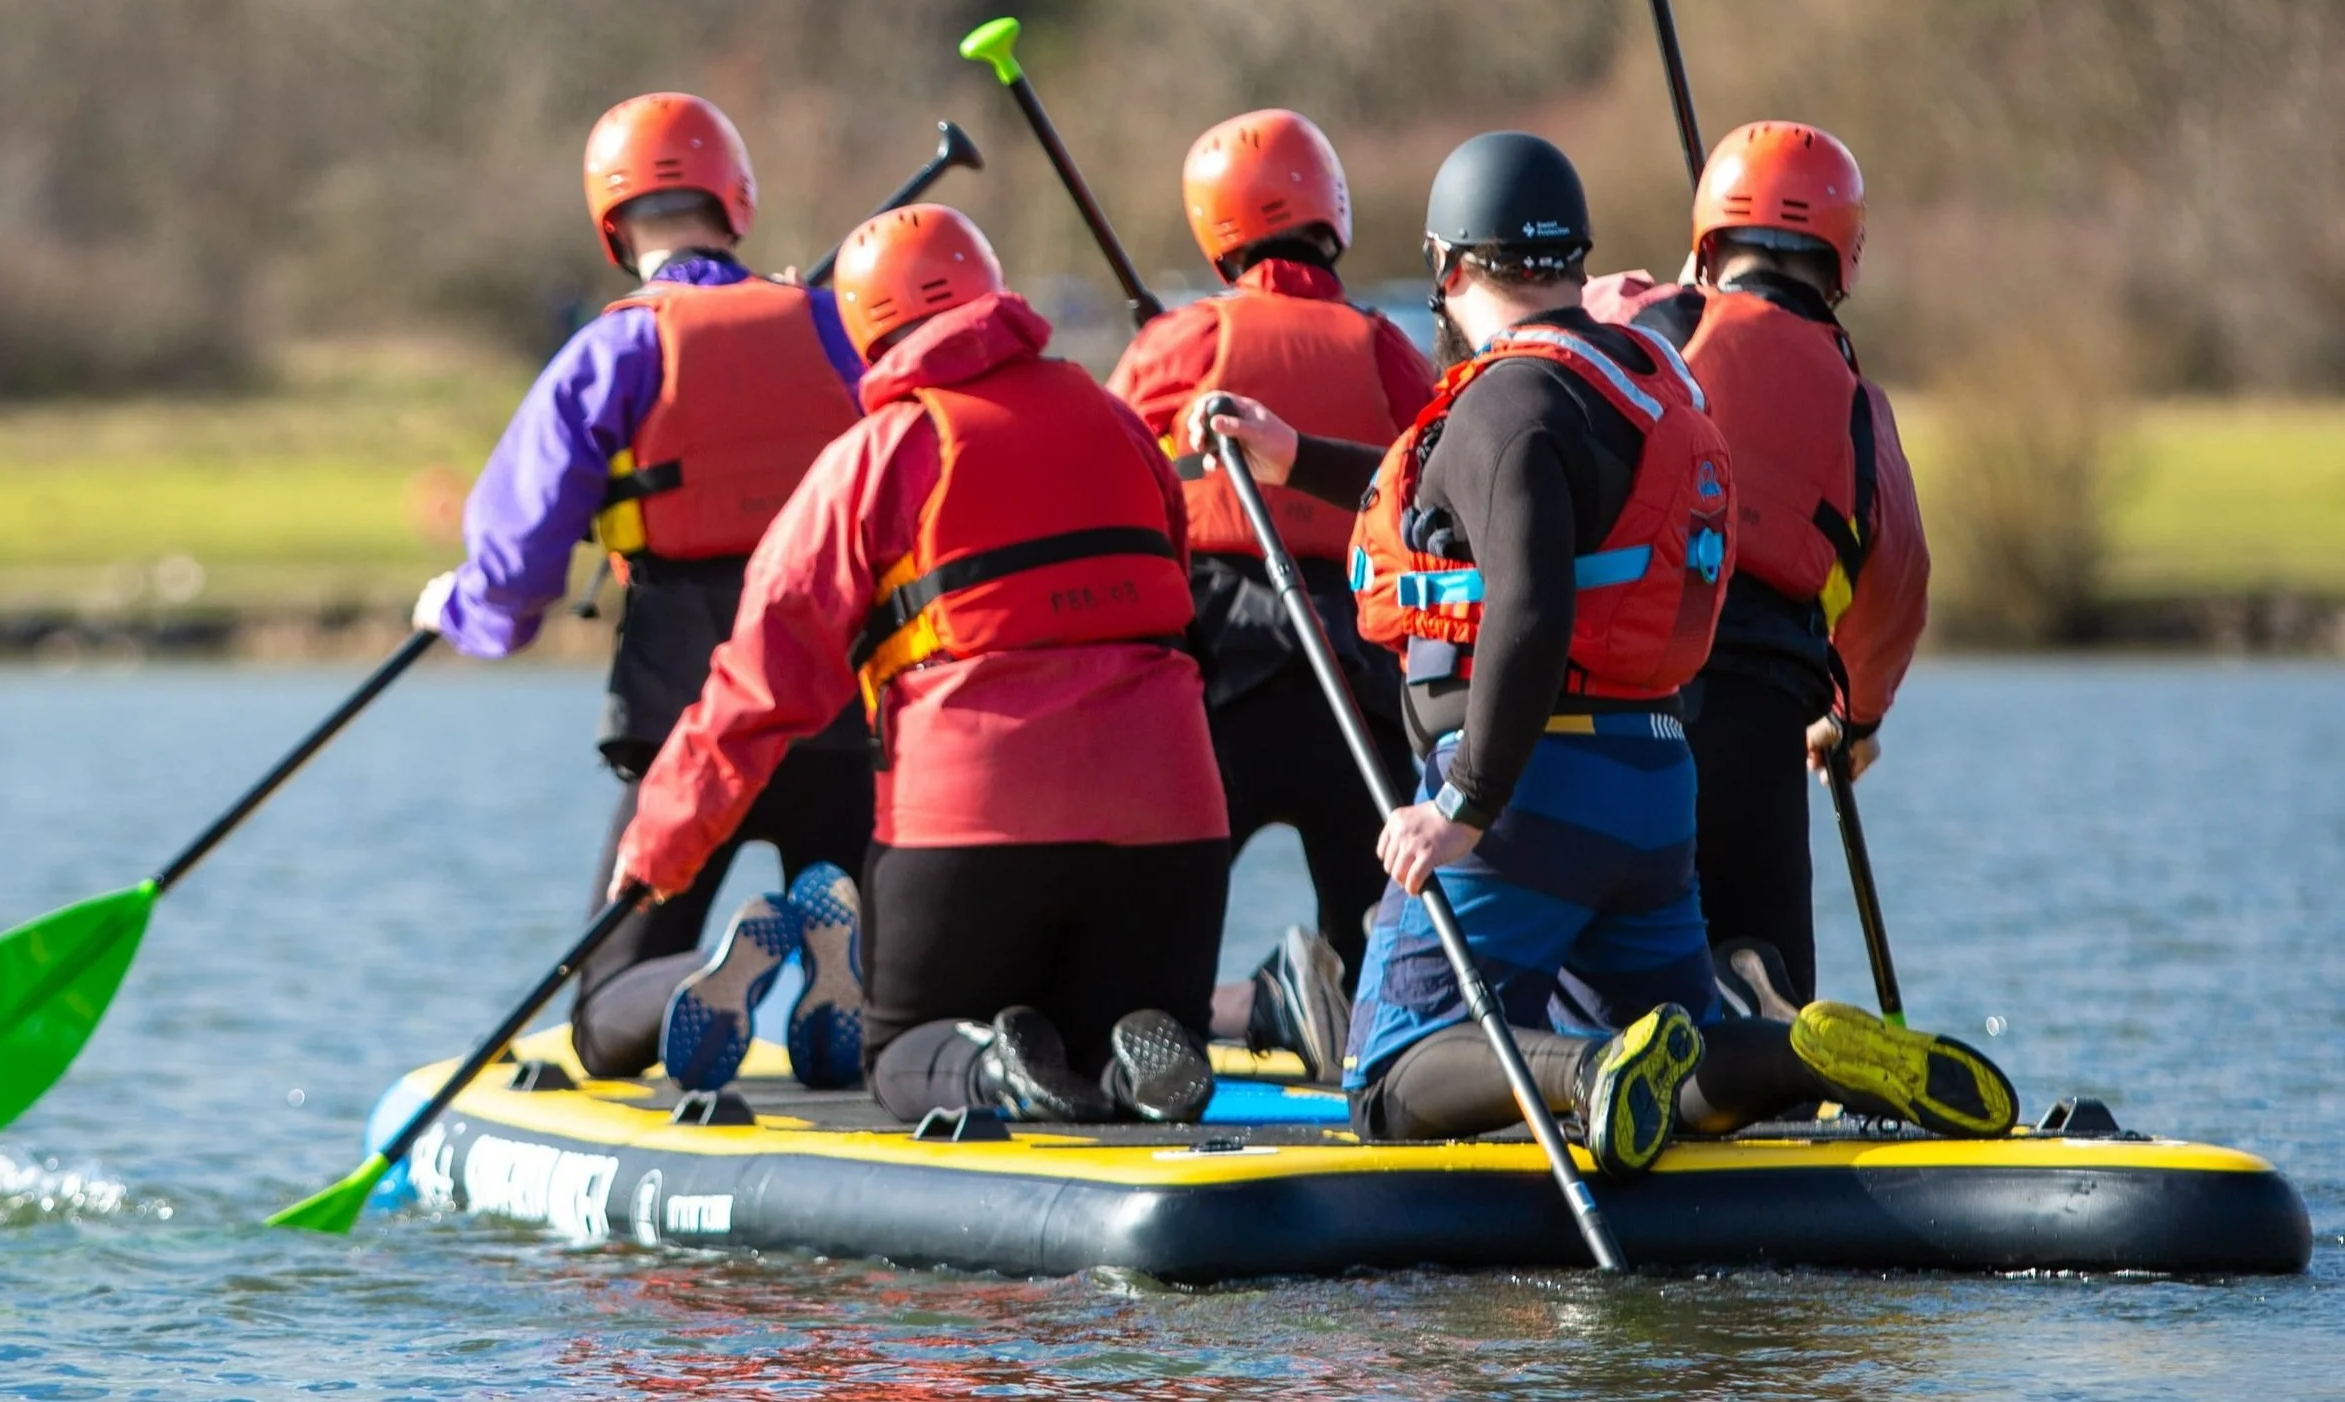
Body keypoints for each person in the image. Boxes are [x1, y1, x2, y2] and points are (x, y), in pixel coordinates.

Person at [1191, 132, 2013, 1175]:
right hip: (1651, 784)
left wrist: (1462, 805)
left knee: (1389, 1078)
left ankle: (1584, 1075)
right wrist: (1291, 455)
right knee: (1676, 1052)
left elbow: (1528, 603)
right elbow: (1458, 495)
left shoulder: (1504, 401)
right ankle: (1803, 1058)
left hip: (1531, 796)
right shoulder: (1634, 378)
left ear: (1450, 267)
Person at [611, 203, 1234, 1125]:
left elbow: (762, 680)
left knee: (903, 1053)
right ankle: (1136, 1046)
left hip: (973, 819)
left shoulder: (879, 451)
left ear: (864, 327)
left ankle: (991, 1069)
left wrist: (662, 843)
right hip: (1172, 814)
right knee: (1101, 1030)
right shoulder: (1118, 420)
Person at [413, 92, 875, 1085]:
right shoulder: (834, 326)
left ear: (612, 225)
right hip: (841, 699)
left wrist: (462, 608)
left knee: (601, 1015)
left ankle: (697, 980)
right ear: (735, 200)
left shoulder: (615, 348)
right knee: (887, 989)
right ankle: (849, 975)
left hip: (685, 710)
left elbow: (518, 550)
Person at [1107, 109, 1434, 1081]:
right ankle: (1362, 1038)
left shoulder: (1180, 339)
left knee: (1150, 931)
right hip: (1360, 671)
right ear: (1331, 210)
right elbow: (1435, 475)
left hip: (1218, 669)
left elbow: (1106, 468)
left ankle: (1217, 1017)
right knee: (1378, 937)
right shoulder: (1383, 344)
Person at [1585, 122, 1929, 1007]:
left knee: (1602, 965)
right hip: (1768, 718)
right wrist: (1853, 718)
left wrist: (1672, 286)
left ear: (1708, 242)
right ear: (1843, 262)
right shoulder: (1859, 405)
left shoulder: (1647, 321)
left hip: (1633, 697)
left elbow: (1561, 316)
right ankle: (1757, 1006)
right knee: (1772, 963)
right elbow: (1896, 581)